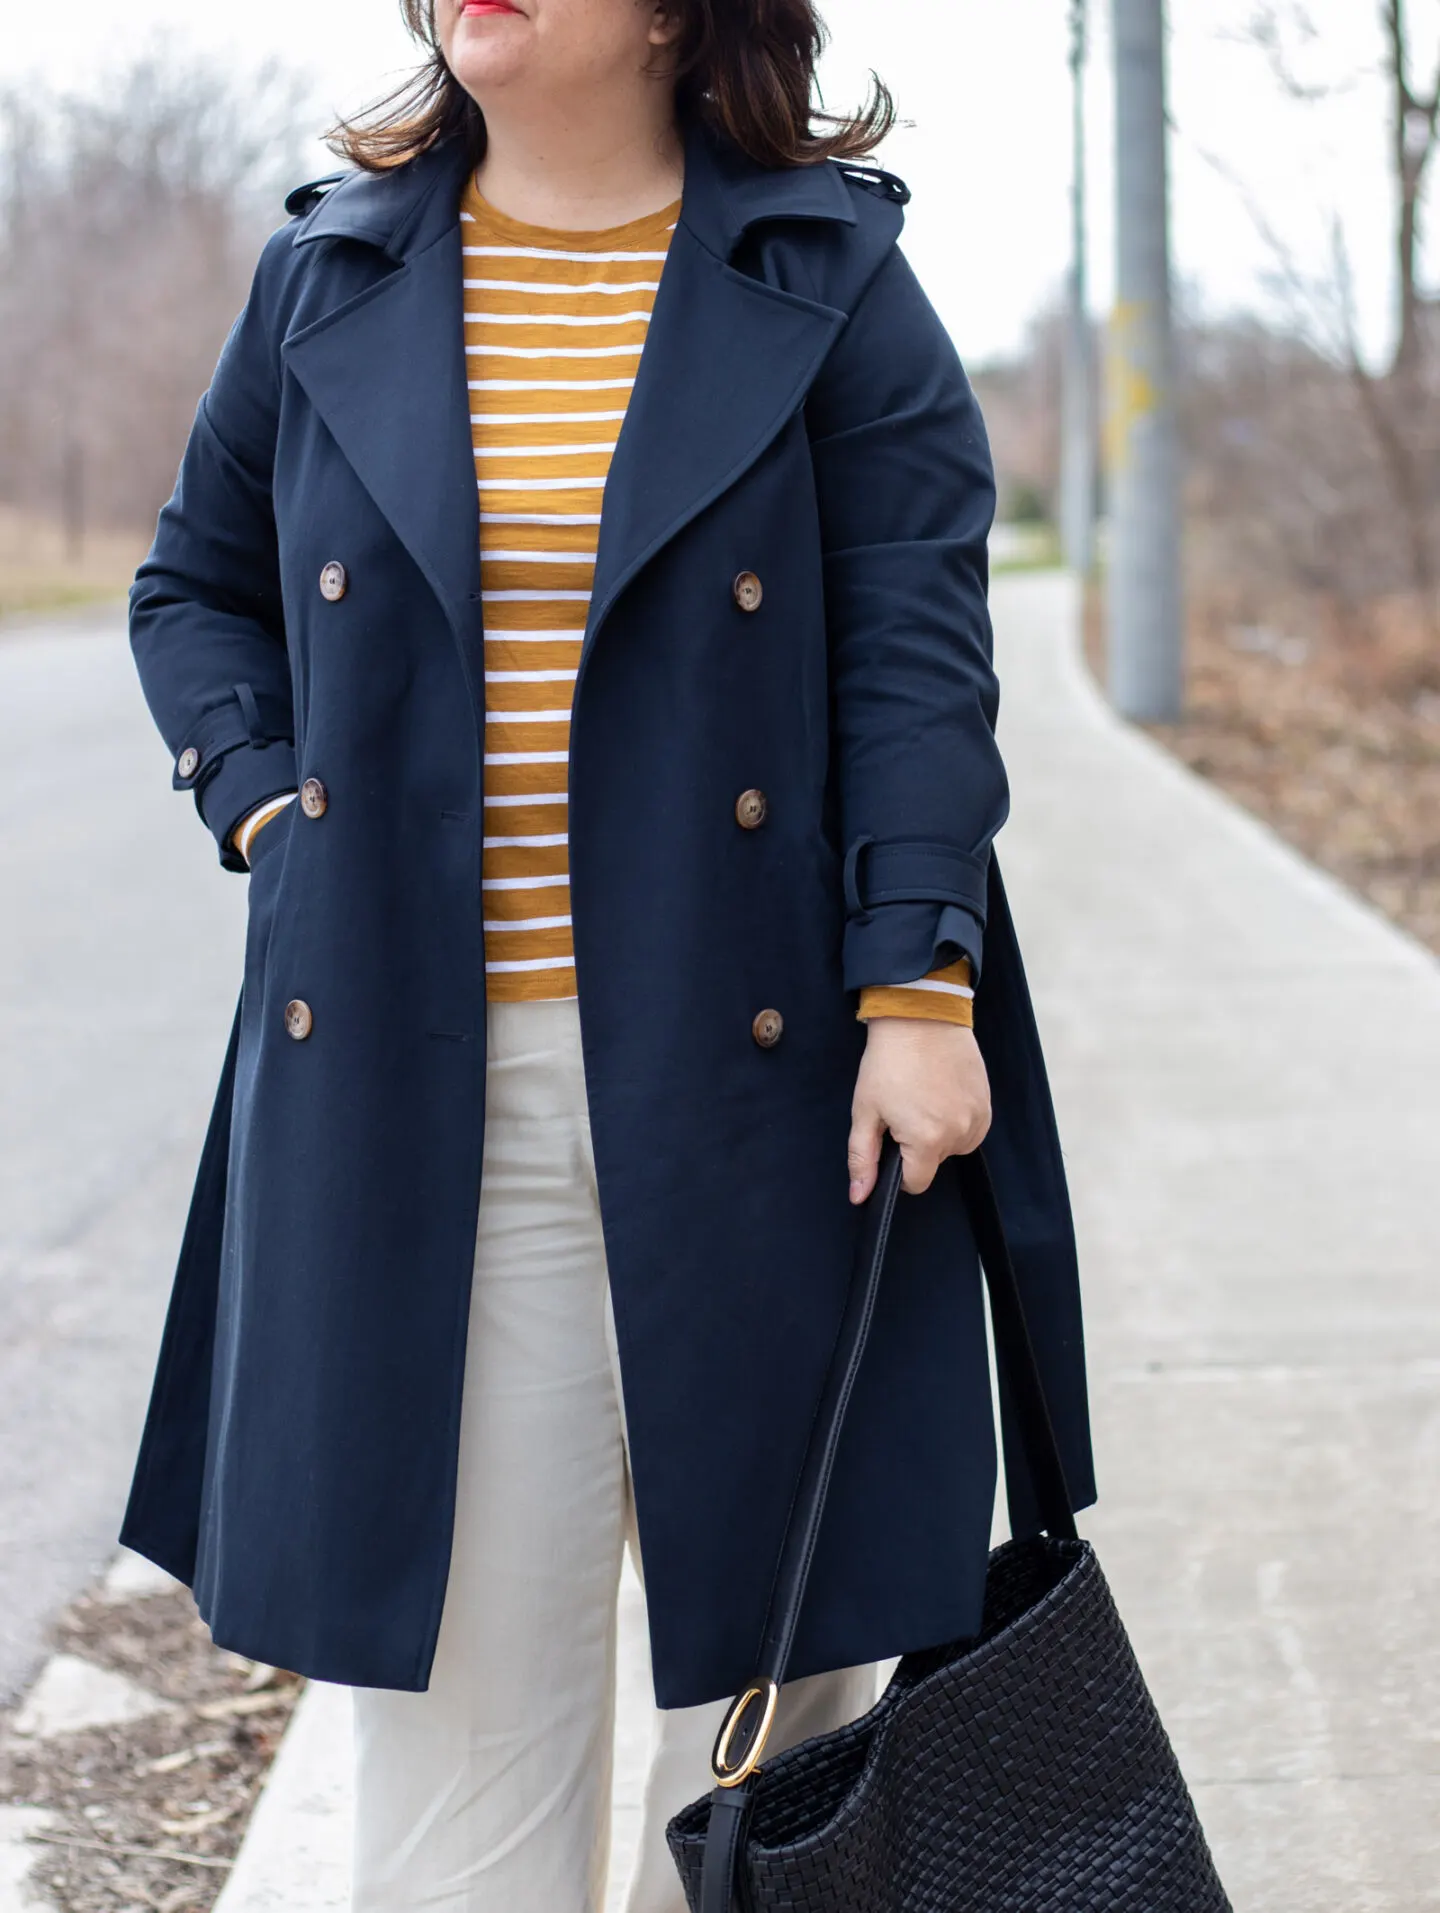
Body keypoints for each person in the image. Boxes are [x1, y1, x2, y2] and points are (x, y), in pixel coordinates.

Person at [120, 1, 1095, 1907]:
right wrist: (260, 800)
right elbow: (196, 581)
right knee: (466, 1758)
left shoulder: (825, 277)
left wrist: (921, 988)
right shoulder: (333, 271)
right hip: (427, 1106)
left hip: (769, 1094)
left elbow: (915, 658)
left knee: (769, 1768)